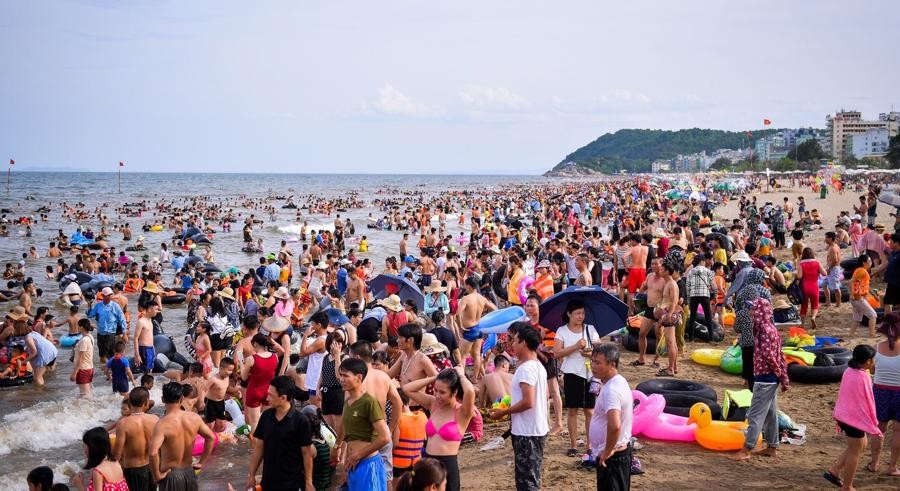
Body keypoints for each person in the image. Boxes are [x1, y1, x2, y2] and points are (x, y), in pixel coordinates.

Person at [490, 322, 549, 491]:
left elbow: (528, 401)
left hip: (527, 432)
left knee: (527, 482)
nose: (512, 345)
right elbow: (543, 396)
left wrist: (504, 412)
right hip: (535, 428)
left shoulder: (526, 369)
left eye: (515, 341)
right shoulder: (537, 366)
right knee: (531, 477)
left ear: (524, 343)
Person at [731, 297, 789, 462]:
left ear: (761, 312)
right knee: (770, 414)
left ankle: (747, 449)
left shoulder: (764, 330)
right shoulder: (770, 328)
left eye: (753, 309)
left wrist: (780, 374)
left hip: (765, 378)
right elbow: (779, 353)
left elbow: (769, 355)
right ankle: (772, 446)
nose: (751, 312)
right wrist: (781, 375)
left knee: (755, 414)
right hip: (770, 378)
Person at [403, 366, 475, 491]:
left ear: (454, 392)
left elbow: (469, 392)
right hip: (428, 464)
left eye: (442, 392)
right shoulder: (433, 404)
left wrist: (460, 375)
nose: (437, 395)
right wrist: (436, 377)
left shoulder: (462, 412)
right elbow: (407, 389)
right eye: (435, 390)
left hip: (448, 465)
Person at [825, 345, 881, 490]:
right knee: (855, 451)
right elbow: (869, 401)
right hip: (852, 418)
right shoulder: (863, 376)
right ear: (868, 361)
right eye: (873, 359)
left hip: (843, 415)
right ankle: (847, 486)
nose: (874, 362)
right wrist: (874, 423)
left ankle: (835, 470)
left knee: (860, 445)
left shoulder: (849, 371)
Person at [247, 375, 315, 491]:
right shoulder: (266, 416)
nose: (267, 398)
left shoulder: (300, 421)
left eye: (271, 395)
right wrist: (251, 475)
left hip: (292, 484)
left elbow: (307, 454)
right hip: (268, 482)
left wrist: (309, 482)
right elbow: (259, 448)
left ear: (283, 398)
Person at [553, 299, 601, 456]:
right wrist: (575, 347)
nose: (581, 316)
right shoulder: (562, 331)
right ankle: (573, 445)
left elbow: (600, 349)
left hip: (590, 375)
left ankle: (590, 445)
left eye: (583, 313)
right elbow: (556, 353)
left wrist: (590, 353)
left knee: (590, 411)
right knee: (573, 410)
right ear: (569, 314)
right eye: (577, 313)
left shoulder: (590, 329)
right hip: (571, 373)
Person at [149, 382, 217, 490]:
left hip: (171, 476)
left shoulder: (162, 424)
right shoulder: (194, 418)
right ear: (181, 398)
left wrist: (156, 475)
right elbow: (211, 437)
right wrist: (201, 462)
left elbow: (153, 453)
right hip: (189, 472)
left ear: (162, 399)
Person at [336, 358, 391, 491]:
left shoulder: (368, 402)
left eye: (345, 376)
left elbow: (384, 437)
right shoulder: (348, 402)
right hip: (353, 464)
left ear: (359, 377)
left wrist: (358, 455)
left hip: (368, 465)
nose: (341, 379)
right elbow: (345, 430)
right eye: (340, 375)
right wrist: (338, 448)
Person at [588, 344, 633, 491]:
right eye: (592, 361)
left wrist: (608, 451)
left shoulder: (612, 390)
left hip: (613, 457)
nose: (593, 366)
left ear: (612, 364)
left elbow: (615, 426)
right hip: (615, 453)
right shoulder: (618, 381)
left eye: (598, 362)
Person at [868, 312, 900, 476]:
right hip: (899, 391)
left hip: (880, 391)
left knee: (879, 429)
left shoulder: (876, 348)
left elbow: (873, 370)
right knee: (898, 431)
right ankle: (893, 467)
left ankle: (874, 463)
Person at [112, 387, 159, 491]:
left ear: (130, 402)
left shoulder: (123, 423)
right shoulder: (155, 419)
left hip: (133, 470)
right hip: (152, 466)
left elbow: (117, 454)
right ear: (146, 402)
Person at [733, 269, 771, 390]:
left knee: (747, 361)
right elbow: (769, 314)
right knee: (758, 361)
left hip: (745, 342)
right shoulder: (764, 293)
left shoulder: (742, 293)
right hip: (759, 340)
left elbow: (737, 327)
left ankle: (747, 381)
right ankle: (757, 381)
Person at [457, 276, 497, 381]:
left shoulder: (466, 298)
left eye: (465, 285)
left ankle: (462, 380)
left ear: (469, 286)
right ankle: (475, 378)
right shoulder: (482, 298)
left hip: (469, 330)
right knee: (477, 355)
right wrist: (487, 319)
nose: (464, 287)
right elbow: (495, 309)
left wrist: (460, 327)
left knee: (462, 356)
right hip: (479, 328)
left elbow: (457, 314)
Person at [240, 333, 278, 435]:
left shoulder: (251, 359)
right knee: (266, 420)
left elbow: (244, 377)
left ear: (255, 344)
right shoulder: (275, 356)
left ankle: (255, 444)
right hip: (269, 392)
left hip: (254, 392)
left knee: (254, 422)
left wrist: (241, 364)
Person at [70, 427, 128, 491]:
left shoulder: (98, 471)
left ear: (93, 448)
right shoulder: (116, 463)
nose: (84, 450)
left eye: (85, 446)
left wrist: (80, 486)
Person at [317, 330, 347, 442]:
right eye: (334, 343)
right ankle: (331, 447)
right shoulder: (326, 357)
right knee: (328, 424)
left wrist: (337, 355)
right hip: (326, 391)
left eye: (339, 343)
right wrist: (318, 387)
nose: (336, 346)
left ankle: (339, 447)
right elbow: (322, 374)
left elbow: (339, 375)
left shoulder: (344, 357)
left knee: (338, 424)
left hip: (338, 392)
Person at [87, 287, 127, 365]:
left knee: (110, 354)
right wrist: (89, 305)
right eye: (107, 295)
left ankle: (111, 369)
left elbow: (122, 319)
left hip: (110, 333)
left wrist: (124, 333)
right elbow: (90, 315)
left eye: (110, 295)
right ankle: (103, 369)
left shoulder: (115, 306)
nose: (109, 297)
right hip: (100, 333)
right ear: (102, 296)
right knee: (102, 355)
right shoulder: (98, 306)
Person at [685, 253, 714, 341]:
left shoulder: (691, 271)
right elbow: (713, 285)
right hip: (705, 295)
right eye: (704, 261)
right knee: (708, 316)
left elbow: (687, 285)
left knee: (692, 317)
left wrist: (688, 298)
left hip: (693, 295)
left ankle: (691, 338)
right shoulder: (708, 271)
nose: (705, 263)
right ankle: (711, 338)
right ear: (702, 261)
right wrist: (715, 295)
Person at [849, 254, 878, 338]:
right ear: (864, 263)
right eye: (869, 261)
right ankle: (872, 334)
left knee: (857, 318)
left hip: (857, 299)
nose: (871, 263)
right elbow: (851, 281)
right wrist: (851, 294)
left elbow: (866, 286)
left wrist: (874, 295)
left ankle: (851, 334)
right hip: (858, 299)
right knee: (873, 315)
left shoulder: (861, 271)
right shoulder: (861, 271)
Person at [24, 319, 57, 386]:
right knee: (39, 374)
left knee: (36, 377)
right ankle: (42, 387)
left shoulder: (28, 337)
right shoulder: (34, 333)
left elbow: (34, 352)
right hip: (52, 352)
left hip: (46, 354)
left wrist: (24, 361)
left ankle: (40, 390)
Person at [72, 318, 96, 398]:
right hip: (89, 367)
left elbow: (82, 358)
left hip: (83, 369)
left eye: (78, 326)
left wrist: (75, 373)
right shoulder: (90, 337)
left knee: (84, 395)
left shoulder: (84, 340)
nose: (77, 328)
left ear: (82, 327)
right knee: (87, 393)